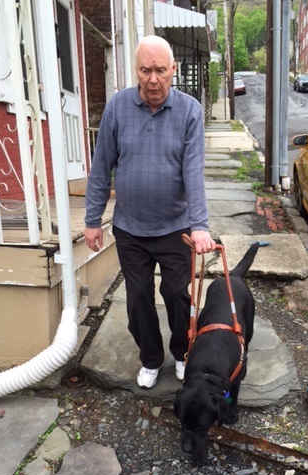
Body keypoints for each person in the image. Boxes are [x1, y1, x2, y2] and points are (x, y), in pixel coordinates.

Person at [84, 35, 216, 389]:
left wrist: (201, 225)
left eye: (160, 70)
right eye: (146, 70)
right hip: (130, 228)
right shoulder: (117, 108)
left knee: (177, 295)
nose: (153, 79)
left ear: (173, 70)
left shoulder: (189, 111)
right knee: (138, 296)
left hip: (176, 228)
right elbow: (101, 167)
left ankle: (183, 353)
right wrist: (92, 220)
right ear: (136, 71)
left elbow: (193, 171)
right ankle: (151, 358)